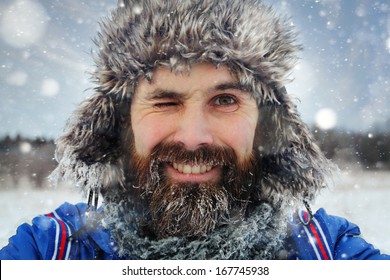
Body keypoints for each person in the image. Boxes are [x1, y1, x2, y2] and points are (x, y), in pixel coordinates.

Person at [0, 0, 389, 260]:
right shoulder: (53, 249)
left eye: (225, 101)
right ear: (122, 124)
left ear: (265, 126)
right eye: (166, 102)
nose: (193, 136)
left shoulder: (326, 251)